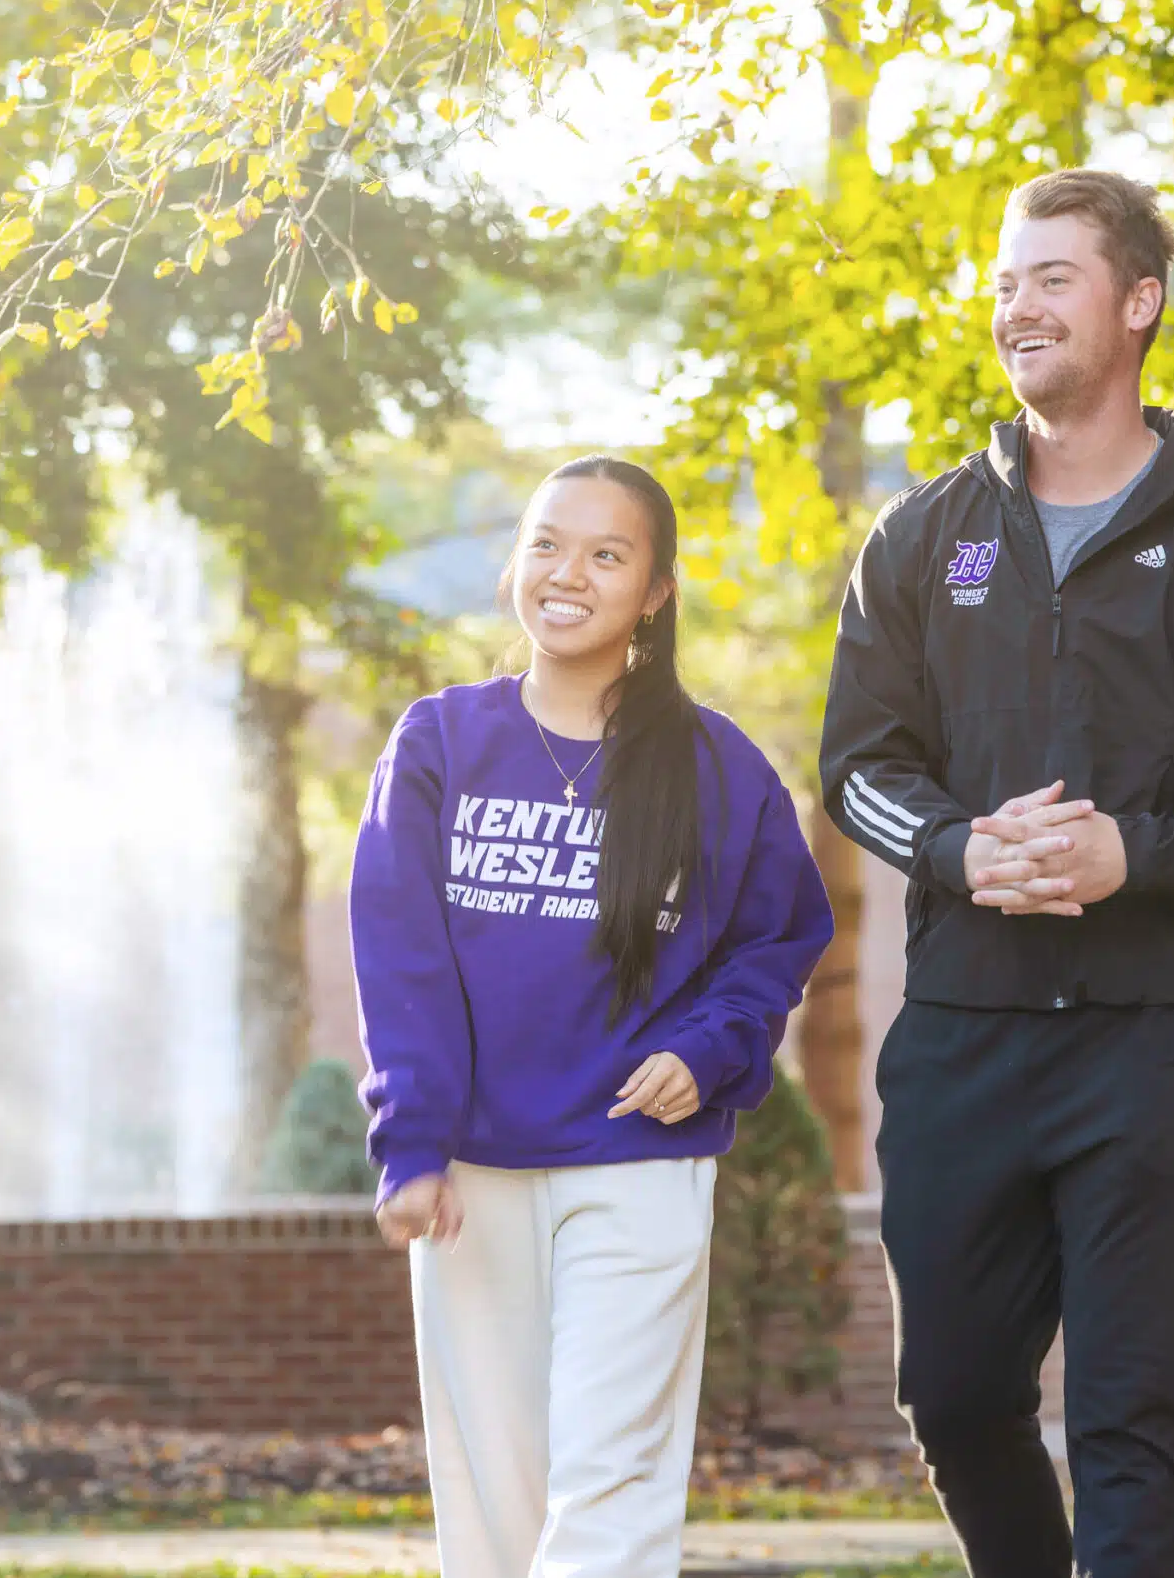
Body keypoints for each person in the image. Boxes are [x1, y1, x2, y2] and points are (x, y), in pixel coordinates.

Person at [820, 169, 1174, 1578]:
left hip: (1149, 1044)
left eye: (1052, 276)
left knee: (1130, 1411)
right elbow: (858, 765)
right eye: (1005, 281)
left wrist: (1136, 854)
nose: (1017, 305)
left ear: (1138, 302)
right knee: (959, 1395)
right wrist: (956, 844)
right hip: (963, 1035)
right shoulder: (922, 537)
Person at [352, 455, 833, 1578]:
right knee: (496, 1501)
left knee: (612, 1481)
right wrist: (412, 1142)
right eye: (546, 545)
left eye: (607, 554)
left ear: (656, 590)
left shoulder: (718, 766)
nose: (567, 574)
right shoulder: (438, 743)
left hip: (638, 1159)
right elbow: (399, 955)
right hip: (474, 1170)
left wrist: (709, 1051)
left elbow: (780, 936)